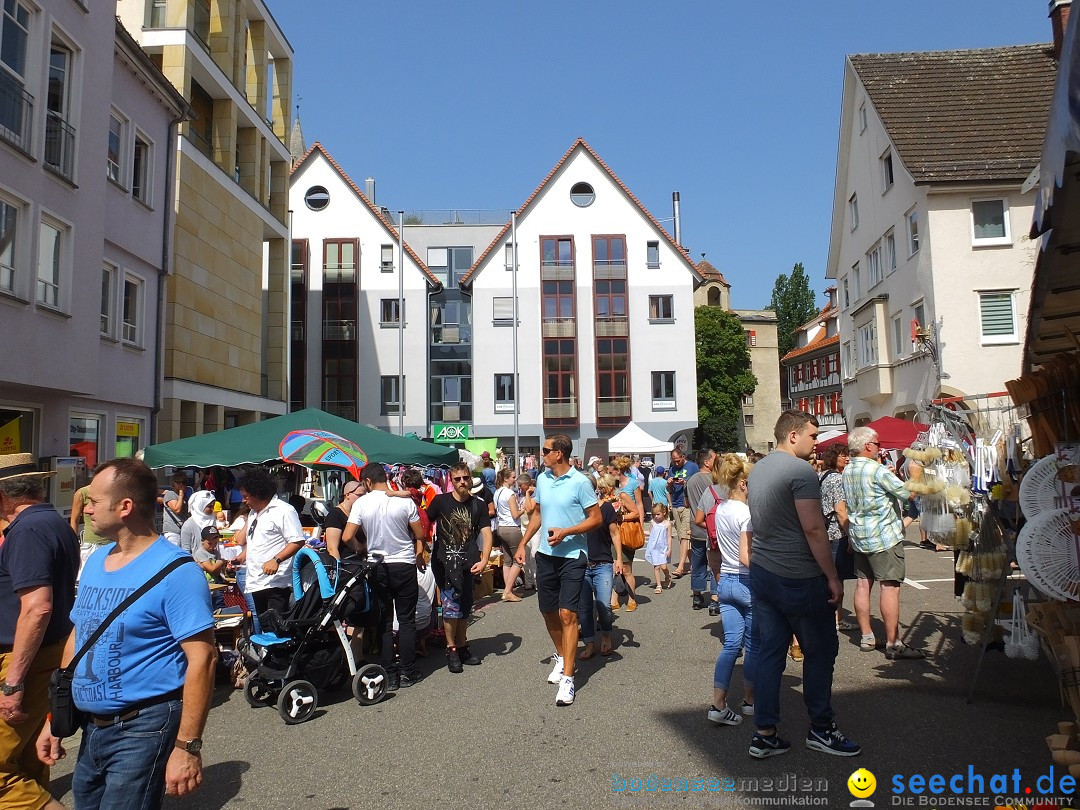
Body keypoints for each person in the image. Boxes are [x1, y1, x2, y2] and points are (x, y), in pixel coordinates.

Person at [37, 457, 216, 808]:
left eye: (94, 501)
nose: (85, 509)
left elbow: (204, 659)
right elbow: (80, 636)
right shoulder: (95, 563)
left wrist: (187, 747)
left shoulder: (177, 572)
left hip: (143, 725)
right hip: (91, 727)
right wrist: (55, 719)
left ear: (125, 507)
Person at [745, 411, 859, 759]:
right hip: (797, 576)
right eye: (812, 436)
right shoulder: (800, 471)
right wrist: (833, 577)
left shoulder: (760, 467)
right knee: (821, 651)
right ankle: (822, 729)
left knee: (769, 653)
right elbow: (813, 529)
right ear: (792, 435)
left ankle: (765, 733)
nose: (816, 443)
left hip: (764, 573)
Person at [0, 453, 79, 810]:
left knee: (4, 776)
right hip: (45, 653)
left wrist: (13, 682)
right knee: (29, 763)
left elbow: (37, 607)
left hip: (24, 660)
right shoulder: (51, 521)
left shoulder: (28, 529)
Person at [515, 435, 601, 706]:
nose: (542, 454)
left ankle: (568, 679)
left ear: (559, 454)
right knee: (548, 611)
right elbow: (537, 514)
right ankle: (564, 657)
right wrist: (523, 542)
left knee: (567, 614)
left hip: (573, 555)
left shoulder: (580, 482)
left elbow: (596, 518)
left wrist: (567, 532)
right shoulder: (542, 479)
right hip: (545, 555)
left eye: (545, 450)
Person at [342, 463, 427, 690]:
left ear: (368, 482)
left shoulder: (361, 503)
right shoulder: (404, 501)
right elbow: (420, 533)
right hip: (404, 563)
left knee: (385, 621)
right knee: (407, 619)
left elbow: (347, 536)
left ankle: (389, 674)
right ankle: (408, 672)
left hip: (377, 565)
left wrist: (361, 546)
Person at [843, 427, 925, 660]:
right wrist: (915, 474)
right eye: (878, 444)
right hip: (883, 536)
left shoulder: (849, 469)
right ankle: (893, 642)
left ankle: (867, 636)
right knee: (889, 586)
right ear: (868, 446)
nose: (881, 448)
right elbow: (909, 494)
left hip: (860, 535)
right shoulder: (876, 469)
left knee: (862, 584)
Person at [427, 463, 494, 674]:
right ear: (451, 480)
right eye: (457, 479)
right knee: (450, 609)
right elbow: (423, 523)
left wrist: (485, 559)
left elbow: (487, 533)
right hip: (444, 564)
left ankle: (463, 645)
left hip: (469, 563)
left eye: (465, 478)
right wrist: (421, 549)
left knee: (465, 608)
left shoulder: (479, 504)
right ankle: (452, 648)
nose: (462, 482)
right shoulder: (440, 501)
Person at [707, 454, 756, 727]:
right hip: (746, 580)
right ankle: (749, 700)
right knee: (753, 646)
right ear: (744, 484)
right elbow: (746, 556)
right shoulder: (746, 513)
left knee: (730, 646)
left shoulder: (722, 507)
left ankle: (718, 703)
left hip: (725, 580)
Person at [238, 467, 305, 619]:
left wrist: (276, 560)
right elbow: (254, 541)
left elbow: (297, 540)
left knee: (277, 628)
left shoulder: (283, 510)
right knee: (265, 627)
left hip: (276, 583)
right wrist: (242, 556)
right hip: (256, 580)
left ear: (258, 493)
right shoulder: (254, 512)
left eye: (246, 496)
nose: (243, 500)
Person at [577, 475, 623, 660]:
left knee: (604, 606)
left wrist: (618, 558)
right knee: (585, 608)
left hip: (603, 563)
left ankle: (605, 636)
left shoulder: (605, 508)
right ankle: (589, 644)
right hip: (581, 564)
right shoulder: (576, 511)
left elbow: (615, 533)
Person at [819, 445, 856, 631]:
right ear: (834, 458)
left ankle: (834, 617)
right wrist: (851, 535)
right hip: (837, 532)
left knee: (829, 576)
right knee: (836, 578)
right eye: (843, 455)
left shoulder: (822, 475)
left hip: (824, 533)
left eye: (848, 455)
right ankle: (836, 619)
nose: (847, 458)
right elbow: (841, 510)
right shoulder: (837, 479)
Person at [694, 451, 727, 616]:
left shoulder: (710, 491)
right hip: (736, 541)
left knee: (717, 571)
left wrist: (713, 527)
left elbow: (698, 519)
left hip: (714, 540)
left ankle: (718, 602)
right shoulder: (738, 489)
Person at [684, 449, 716, 609]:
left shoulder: (690, 480)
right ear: (707, 462)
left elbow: (686, 503)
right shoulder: (715, 480)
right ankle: (715, 600)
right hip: (712, 528)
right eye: (714, 458)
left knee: (697, 563)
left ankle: (697, 595)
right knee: (716, 563)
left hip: (696, 527)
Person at [611, 456, 644, 612]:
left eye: (611, 471)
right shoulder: (613, 486)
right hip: (612, 530)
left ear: (618, 471)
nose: (609, 474)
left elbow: (639, 505)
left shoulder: (632, 484)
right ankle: (614, 599)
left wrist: (640, 526)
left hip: (627, 529)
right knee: (612, 566)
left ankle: (632, 598)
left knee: (626, 567)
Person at [667, 449, 699, 579]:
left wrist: (685, 482)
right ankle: (693, 565)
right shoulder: (672, 469)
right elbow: (669, 490)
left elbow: (698, 483)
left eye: (678, 460)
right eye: (674, 461)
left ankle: (681, 566)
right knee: (682, 536)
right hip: (676, 504)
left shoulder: (692, 467)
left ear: (683, 457)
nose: (676, 463)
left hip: (687, 504)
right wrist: (669, 484)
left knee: (685, 536)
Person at [493, 468, 524, 602]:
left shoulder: (497, 492)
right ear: (506, 479)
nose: (515, 479)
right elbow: (515, 514)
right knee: (519, 559)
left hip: (501, 527)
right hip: (511, 528)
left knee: (507, 561)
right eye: (512, 477)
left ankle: (509, 589)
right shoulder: (509, 493)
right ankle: (508, 591)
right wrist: (524, 509)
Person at [70, 477, 110, 577]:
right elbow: (74, 520)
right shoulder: (82, 493)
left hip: (111, 543)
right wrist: (73, 545)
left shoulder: (112, 492)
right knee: (88, 576)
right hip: (91, 545)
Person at [323, 481, 364, 561]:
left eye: (364, 495)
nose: (363, 499)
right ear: (347, 495)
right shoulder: (335, 514)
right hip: (345, 564)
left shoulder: (359, 513)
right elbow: (332, 549)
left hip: (360, 563)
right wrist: (337, 569)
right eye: (359, 495)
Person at [193, 526, 227, 613]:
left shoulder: (216, 553)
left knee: (217, 609)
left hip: (216, 588)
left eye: (215, 543)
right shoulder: (200, 553)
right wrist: (222, 562)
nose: (212, 546)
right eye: (209, 543)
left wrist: (223, 565)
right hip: (205, 589)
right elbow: (211, 569)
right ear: (202, 541)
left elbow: (218, 570)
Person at [644, 503, 672, 594]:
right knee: (657, 567)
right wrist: (641, 532)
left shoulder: (667, 524)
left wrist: (669, 549)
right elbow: (650, 533)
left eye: (658, 514)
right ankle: (658, 585)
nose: (656, 517)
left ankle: (667, 577)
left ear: (664, 512)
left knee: (664, 567)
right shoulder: (653, 523)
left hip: (663, 548)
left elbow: (668, 537)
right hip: (654, 548)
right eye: (654, 515)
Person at [178, 490, 215, 556]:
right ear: (200, 506)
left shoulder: (212, 520)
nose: (213, 509)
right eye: (209, 506)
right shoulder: (188, 525)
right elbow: (186, 551)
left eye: (213, 506)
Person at [518, 475, 539, 591]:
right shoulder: (519, 494)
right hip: (524, 526)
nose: (520, 488)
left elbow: (530, 508)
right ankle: (528, 581)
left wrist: (527, 494)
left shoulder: (535, 493)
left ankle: (537, 581)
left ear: (527, 484)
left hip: (535, 528)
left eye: (521, 485)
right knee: (525, 554)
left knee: (534, 554)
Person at [160, 471, 191, 547]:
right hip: (173, 533)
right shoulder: (170, 494)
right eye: (179, 483)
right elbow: (177, 509)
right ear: (174, 483)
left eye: (184, 483)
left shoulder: (185, 496)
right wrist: (181, 493)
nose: (182, 485)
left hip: (183, 531)